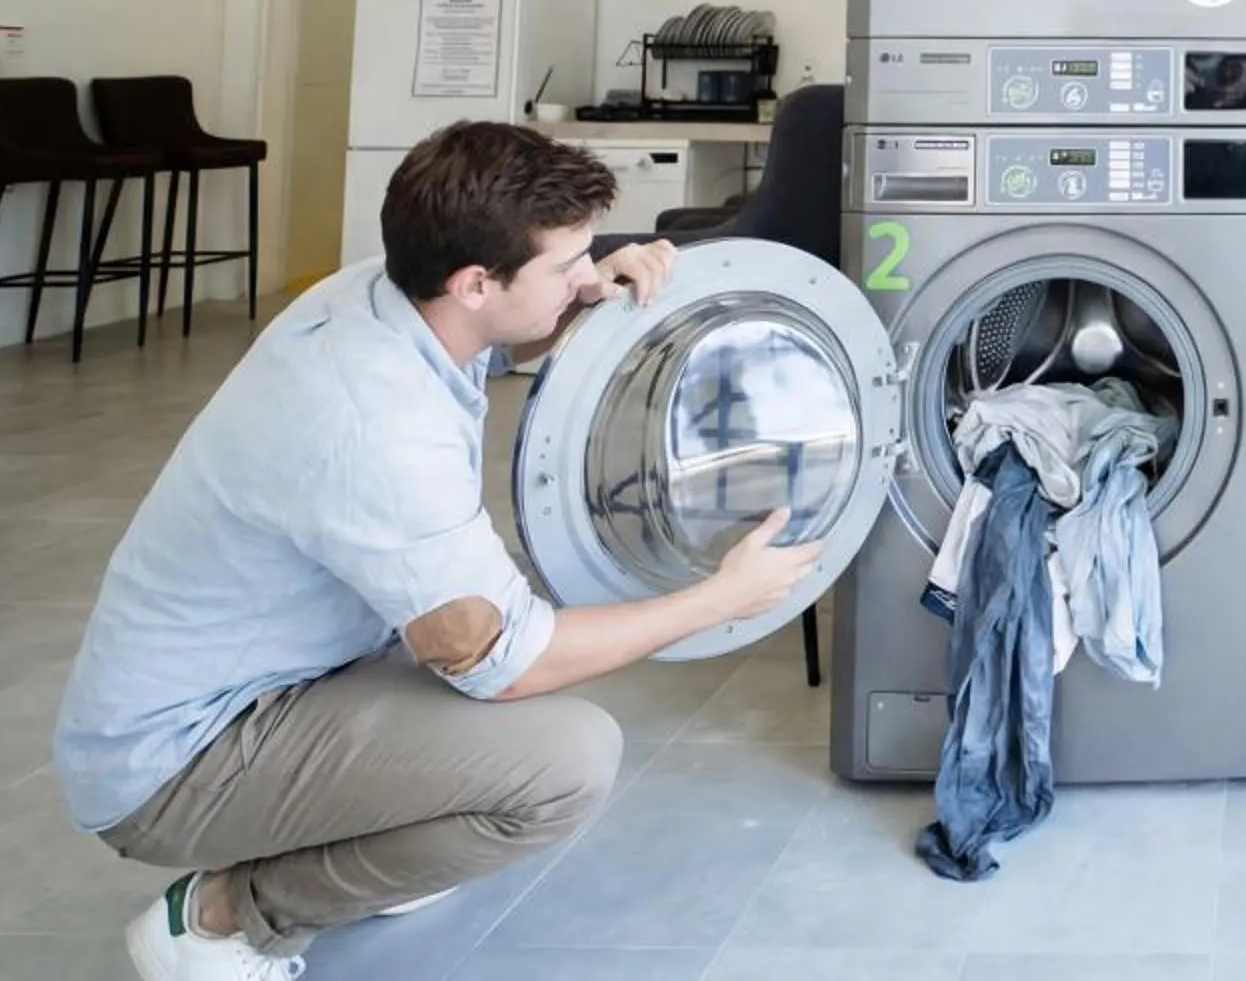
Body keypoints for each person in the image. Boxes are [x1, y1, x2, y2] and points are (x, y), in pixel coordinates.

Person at [54, 121, 825, 980]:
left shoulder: (379, 296)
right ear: (473, 281)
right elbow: (505, 659)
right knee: (561, 766)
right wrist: (719, 600)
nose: (587, 271)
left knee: (490, 682)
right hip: (177, 765)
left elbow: (491, 342)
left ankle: (366, 843)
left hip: (273, 678)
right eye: (566, 263)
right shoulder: (373, 424)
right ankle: (223, 918)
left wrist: (583, 297)